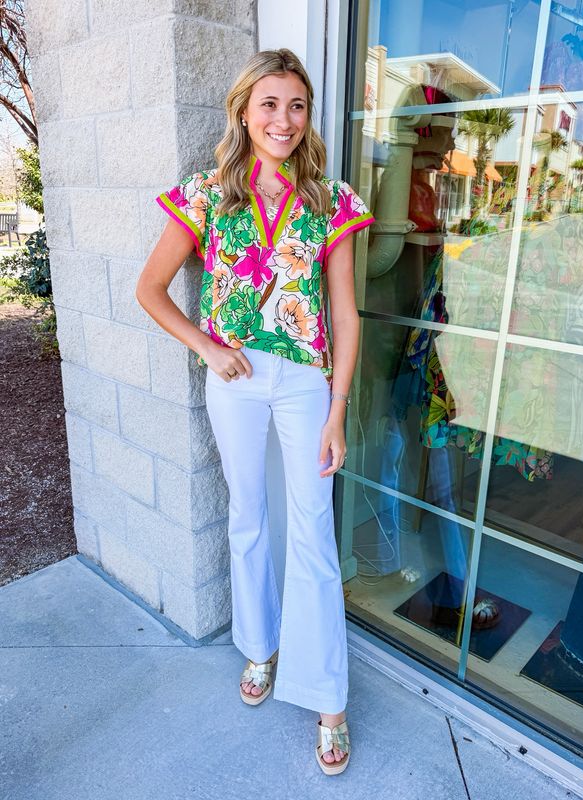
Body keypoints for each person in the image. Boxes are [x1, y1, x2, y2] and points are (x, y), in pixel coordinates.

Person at [135, 48, 375, 775]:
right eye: (269, 104)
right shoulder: (208, 194)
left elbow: (345, 313)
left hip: (306, 381)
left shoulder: (331, 199)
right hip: (234, 377)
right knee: (248, 515)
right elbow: (149, 289)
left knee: (312, 530)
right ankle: (260, 649)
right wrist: (207, 346)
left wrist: (336, 410)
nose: (284, 119)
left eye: (296, 105)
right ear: (244, 110)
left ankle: (328, 696)